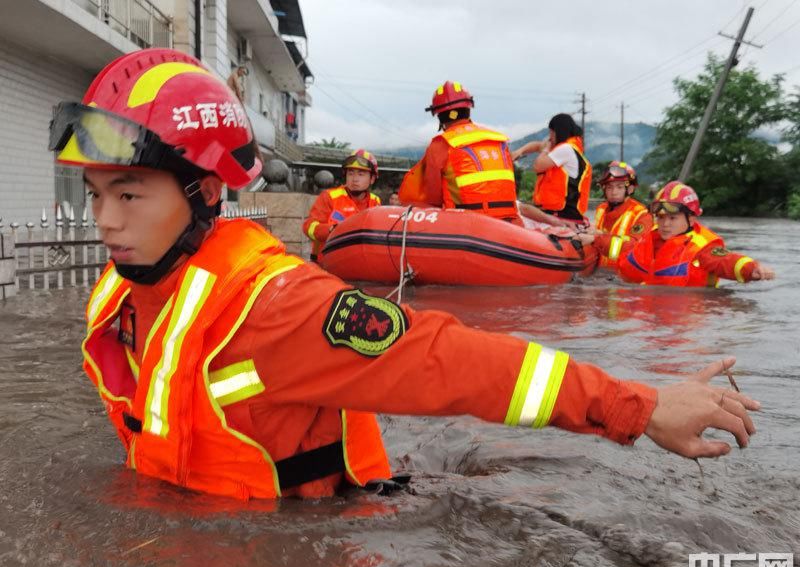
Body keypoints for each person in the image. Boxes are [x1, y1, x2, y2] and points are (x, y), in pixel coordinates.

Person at [51, 49, 760, 502]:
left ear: (206, 191)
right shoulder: (128, 292)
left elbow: (455, 361)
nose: (106, 220)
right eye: (97, 194)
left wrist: (635, 404)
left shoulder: (278, 308)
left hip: (303, 543)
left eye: (130, 193)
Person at [579, 181, 775, 286]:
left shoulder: (702, 248)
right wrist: (595, 239)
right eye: (661, 218)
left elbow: (726, 261)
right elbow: (624, 247)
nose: (665, 224)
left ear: (691, 219)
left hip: (683, 319)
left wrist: (751, 269)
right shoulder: (652, 237)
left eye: (672, 219)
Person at [398, 81, 521, 224]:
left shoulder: (441, 144)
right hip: (510, 223)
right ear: (469, 108)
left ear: (439, 116)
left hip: (468, 226)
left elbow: (433, 198)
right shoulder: (498, 141)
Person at [512, 113, 592, 226]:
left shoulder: (566, 149)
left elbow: (538, 165)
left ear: (558, 131)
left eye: (551, 132)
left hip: (563, 217)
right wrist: (519, 152)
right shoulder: (563, 148)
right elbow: (536, 145)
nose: (550, 136)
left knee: (520, 211)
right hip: (552, 214)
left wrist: (545, 150)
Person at [302, 149, 382, 261]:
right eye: (350, 173)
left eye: (361, 174)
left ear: (372, 178)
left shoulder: (375, 201)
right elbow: (308, 226)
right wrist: (331, 230)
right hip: (327, 263)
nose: (355, 179)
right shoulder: (329, 197)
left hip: (361, 263)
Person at [593, 161, 652, 268]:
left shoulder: (641, 214)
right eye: (609, 187)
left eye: (619, 187)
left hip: (623, 275)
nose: (614, 192)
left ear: (629, 189)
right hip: (601, 272)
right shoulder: (601, 209)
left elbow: (634, 248)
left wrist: (596, 238)